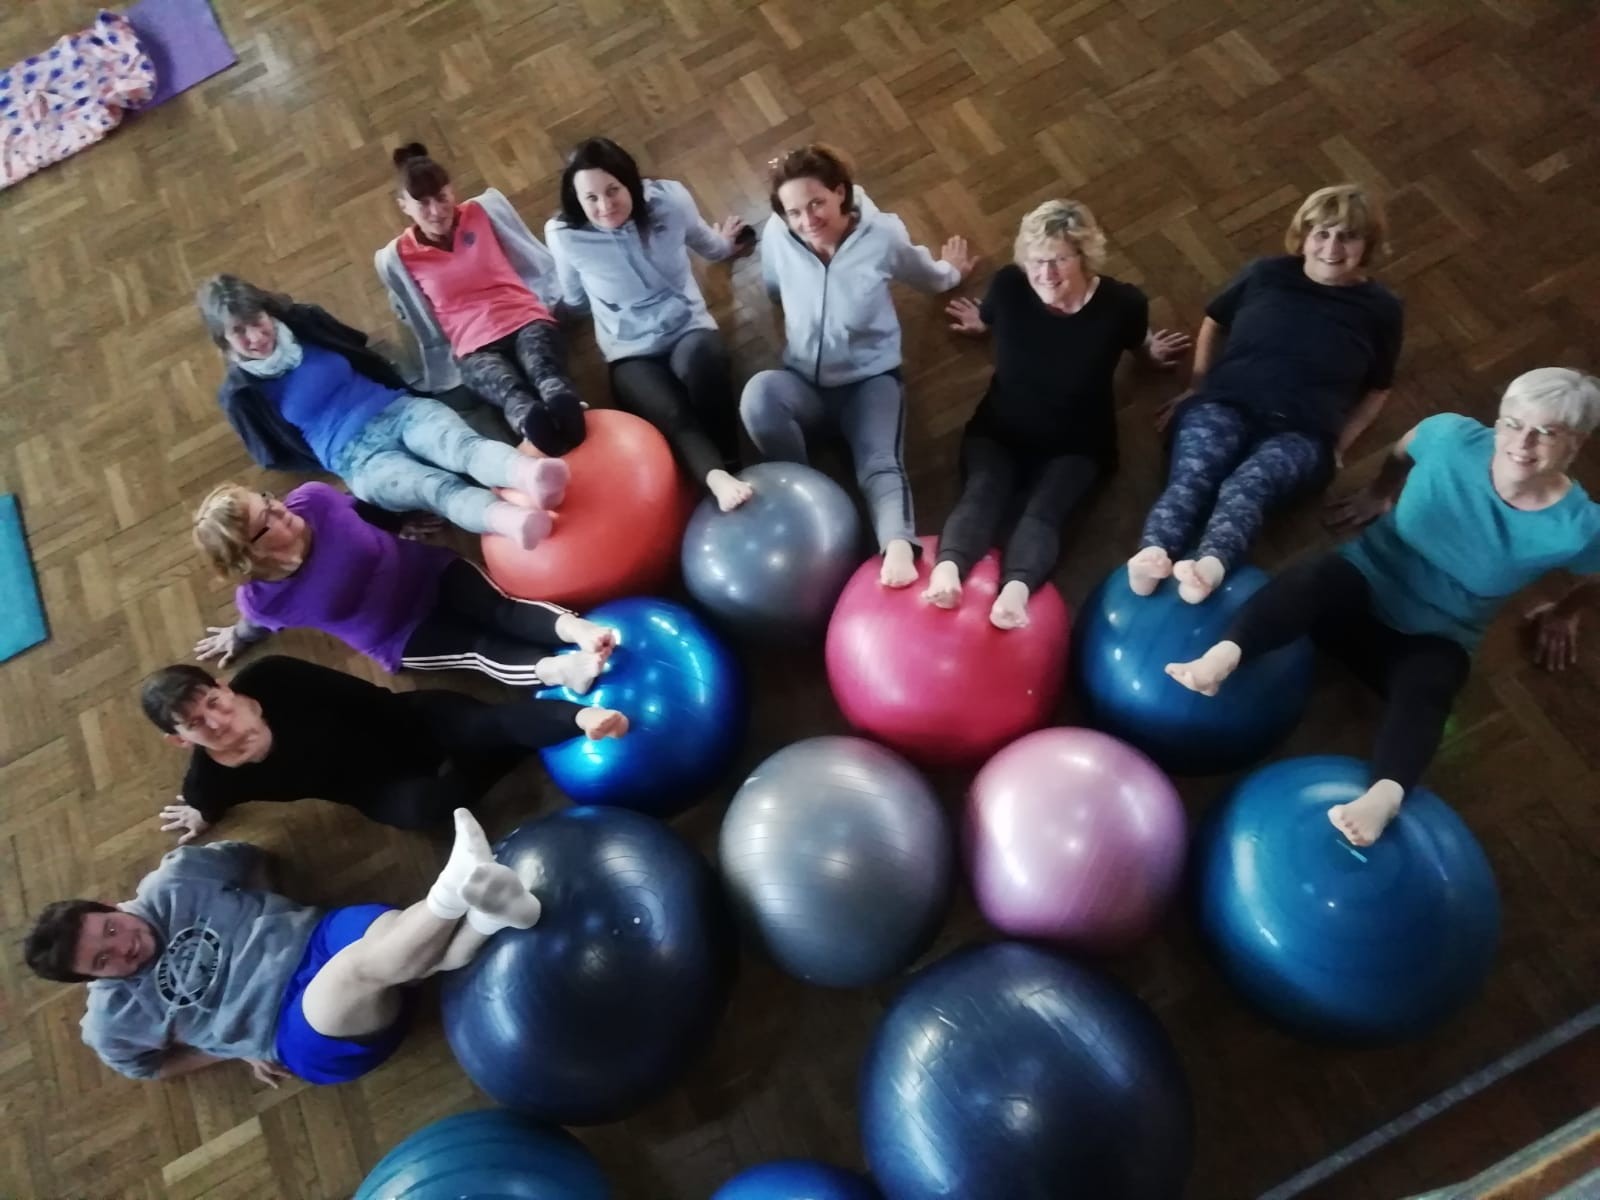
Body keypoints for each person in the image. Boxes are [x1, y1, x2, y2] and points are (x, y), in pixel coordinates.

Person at [1165, 368, 1600, 846]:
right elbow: (1401, 452)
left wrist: (1566, 611)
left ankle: (1384, 795)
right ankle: (1221, 657)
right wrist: (1380, 491)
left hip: (1435, 634)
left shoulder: (1578, 526)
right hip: (1365, 580)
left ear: (1575, 445)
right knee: (1313, 576)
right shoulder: (1450, 437)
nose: (1521, 442)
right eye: (1512, 423)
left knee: (1433, 686)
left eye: (1546, 433)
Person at [23, 810, 543, 1087]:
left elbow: (249, 857)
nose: (124, 948)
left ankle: (491, 917)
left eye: (110, 929)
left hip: (316, 936)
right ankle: (451, 891)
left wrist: (270, 905)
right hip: (295, 1029)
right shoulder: (110, 1022)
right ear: (91, 980)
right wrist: (230, 1049)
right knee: (354, 972)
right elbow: (149, 1067)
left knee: (391, 950)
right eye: (102, 962)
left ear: (109, 904)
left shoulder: (176, 880)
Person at [1126, 183, 1405, 604]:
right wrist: (1197, 386)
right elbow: (1214, 321)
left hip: (1304, 433)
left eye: (1347, 236)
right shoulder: (1265, 274)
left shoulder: (1382, 308)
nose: (1331, 246)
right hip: (1225, 404)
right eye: (1322, 232)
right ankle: (1152, 554)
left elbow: (1379, 388)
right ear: (1305, 235)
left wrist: (1339, 446)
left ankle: (1208, 570)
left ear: (1367, 245)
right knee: (1194, 475)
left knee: (1248, 487)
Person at [924, 199, 1190, 628]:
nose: (1046, 274)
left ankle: (1015, 593)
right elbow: (992, 315)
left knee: (1043, 513)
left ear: (1084, 258)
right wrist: (981, 322)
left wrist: (1149, 352)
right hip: (1001, 429)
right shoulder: (1010, 285)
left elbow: (1136, 339)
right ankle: (947, 573)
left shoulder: (1122, 303)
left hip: (1078, 442)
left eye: (1059, 260)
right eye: (1037, 261)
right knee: (982, 493)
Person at [739, 144, 976, 587]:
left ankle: (898, 551)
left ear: (840, 193)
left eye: (817, 204)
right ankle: (805, 499)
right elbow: (773, 282)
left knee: (879, 464)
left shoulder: (882, 235)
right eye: (794, 212)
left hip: (870, 381)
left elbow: (923, 274)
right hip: (802, 383)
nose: (807, 220)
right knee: (758, 396)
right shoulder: (777, 235)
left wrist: (951, 274)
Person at [200, 275, 567, 548]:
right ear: (224, 341)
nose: (255, 337)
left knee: (460, 446)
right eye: (239, 332)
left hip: (396, 408)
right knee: (434, 489)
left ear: (268, 311)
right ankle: (512, 521)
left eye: (256, 321)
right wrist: (333, 464)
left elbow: (363, 353)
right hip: (357, 459)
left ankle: (532, 475)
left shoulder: (305, 321)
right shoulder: (240, 395)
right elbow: (273, 454)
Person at [143, 656, 628, 841]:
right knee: (428, 809)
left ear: (225, 688)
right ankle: (519, 745)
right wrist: (199, 817)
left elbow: (370, 700)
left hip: (401, 722)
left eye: (214, 702)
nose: (218, 722)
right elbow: (206, 803)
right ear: (179, 739)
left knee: (483, 725)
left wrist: (273, 730)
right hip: (372, 787)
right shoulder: (211, 776)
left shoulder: (272, 677)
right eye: (197, 725)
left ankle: (579, 718)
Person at [189, 481, 617, 689]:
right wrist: (237, 637)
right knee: (478, 650)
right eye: (267, 522)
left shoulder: (315, 499)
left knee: (501, 608)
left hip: (429, 571)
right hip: (401, 636)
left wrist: (404, 524)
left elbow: (365, 511)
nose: (280, 509)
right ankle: (563, 672)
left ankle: (582, 631)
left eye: (267, 499)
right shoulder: (264, 598)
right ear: (251, 554)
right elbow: (255, 622)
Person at [545, 136, 756, 511]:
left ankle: (730, 461)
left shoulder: (670, 201)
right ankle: (716, 478)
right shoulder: (565, 236)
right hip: (629, 349)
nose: (605, 206)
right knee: (671, 412)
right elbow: (575, 298)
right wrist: (548, 318)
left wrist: (727, 246)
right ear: (577, 201)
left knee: (706, 364)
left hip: (685, 327)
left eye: (613, 191)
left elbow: (704, 241)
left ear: (631, 183)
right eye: (590, 198)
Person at [377, 143, 585, 455]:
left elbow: (530, 257)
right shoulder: (397, 257)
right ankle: (531, 423)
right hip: (472, 346)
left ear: (452, 190)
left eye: (442, 197)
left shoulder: (482, 212)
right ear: (403, 205)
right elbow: (412, 313)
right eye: (423, 203)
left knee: (545, 370)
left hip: (523, 318)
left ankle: (564, 403)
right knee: (508, 390)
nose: (436, 211)